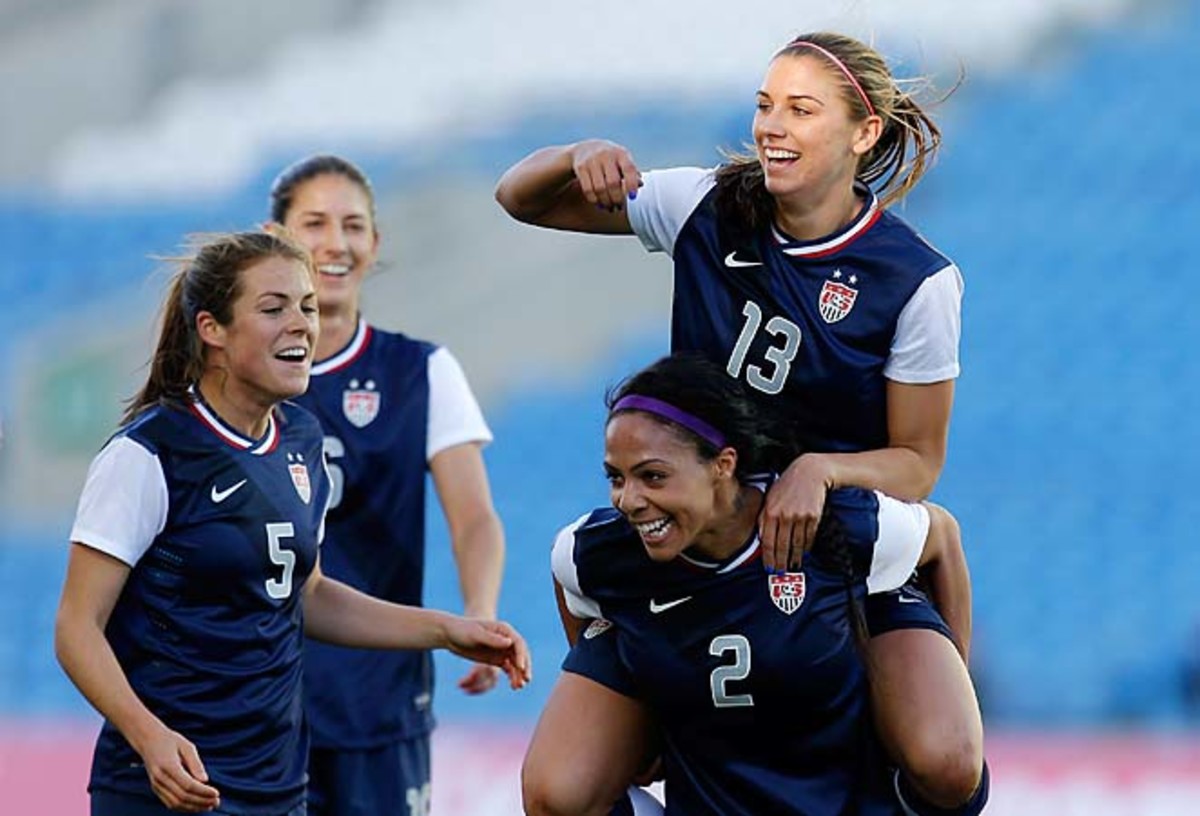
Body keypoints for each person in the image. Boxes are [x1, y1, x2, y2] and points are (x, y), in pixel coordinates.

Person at [495, 30, 983, 808]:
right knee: (558, 789)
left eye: (800, 109)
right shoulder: (706, 205)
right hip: (697, 516)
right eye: (764, 106)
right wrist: (575, 154)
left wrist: (820, 471)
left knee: (947, 761)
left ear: (864, 133)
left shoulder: (916, 280)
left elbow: (919, 464)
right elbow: (519, 199)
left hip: (828, 542)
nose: (772, 127)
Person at [53, 230, 531, 816]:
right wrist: (148, 736)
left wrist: (447, 630)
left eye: (306, 307)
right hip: (167, 785)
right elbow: (77, 627)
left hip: (276, 783)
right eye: (273, 308)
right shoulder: (148, 453)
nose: (301, 324)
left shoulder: (301, 440)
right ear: (213, 330)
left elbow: (308, 594)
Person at [522, 353, 988, 815]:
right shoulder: (602, 553)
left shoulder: (827, 526)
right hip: (714, 777)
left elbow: (942, 539)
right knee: (555, 795)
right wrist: (629, 705)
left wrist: (953, 681)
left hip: (839, 776)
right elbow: (570, 582)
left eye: (653, 477)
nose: (629, 500)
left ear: (722, 465)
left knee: (948, 762)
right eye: (616, 478)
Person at [266, 154, 508, 816]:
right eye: (314, 223)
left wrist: (479, 609)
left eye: (353, 226)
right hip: (255, 701)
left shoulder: (420, 371)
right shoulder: (239, 378)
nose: (335, 243)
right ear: (276, 237)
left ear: (375, 243)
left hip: (378, 701)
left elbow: (474, 518)